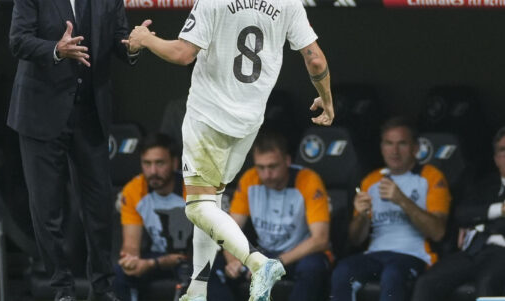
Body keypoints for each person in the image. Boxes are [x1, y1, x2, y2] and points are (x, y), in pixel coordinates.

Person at [123, 0, 335, 299]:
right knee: (213, 201)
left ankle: (259, 262)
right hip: (249, 122)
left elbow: (182, 54)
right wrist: (327, 100)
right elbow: (315, 59)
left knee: (196, 207)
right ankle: (198, 288)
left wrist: (145, 38)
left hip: (208, 117)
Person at [7, 0, 147, 299]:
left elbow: (118, 40)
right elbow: (19, 41)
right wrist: (56, 50)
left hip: (90, 115)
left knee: (99, 208)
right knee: (48, 211)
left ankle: (103, 289)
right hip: (41, 115)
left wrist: (134, 44)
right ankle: (63, 290)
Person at [330, 116, 451, 301]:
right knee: (342, 271)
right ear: (382, 147)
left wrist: (402, 200)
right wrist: (361, 215)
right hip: (376, 253)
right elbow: (355, 239)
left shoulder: (432, 177)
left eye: (402, 144)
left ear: (415, 148)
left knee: (393, 275)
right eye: (389, 143)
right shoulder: (370, 180)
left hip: (413, 255)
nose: (394, 151)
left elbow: (438, 232)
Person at [209, 130, 331, 301]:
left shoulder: (308, 180)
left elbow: (320, 239)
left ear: (287, 161)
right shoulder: (250, 179)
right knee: (208, 267)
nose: (266, 174)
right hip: (264, 253)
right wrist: (233, 261)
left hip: (298, 254)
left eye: (272, 166)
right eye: (261, 167)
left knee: (313, 267)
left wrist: (275, 263)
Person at [411, 126, 505, 300]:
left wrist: (480, 223)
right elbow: (462, 213)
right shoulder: (485, 185)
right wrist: (499, 210)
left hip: (502, 254)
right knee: (427, 281)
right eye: (502, 150)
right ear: (496, 159)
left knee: (487, 282)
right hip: (474, 250)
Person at [114, 133, 192, 301]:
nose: (153, 171)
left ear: (174, 163)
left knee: (194, 275)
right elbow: (131, 247)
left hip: (191, 256)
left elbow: (189, 253)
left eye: (160, 163)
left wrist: (151, 264)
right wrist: (130, 261)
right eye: (147, 164)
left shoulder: (193, 190)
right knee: (120, 274)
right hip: (157, 254)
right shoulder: (134, 190)